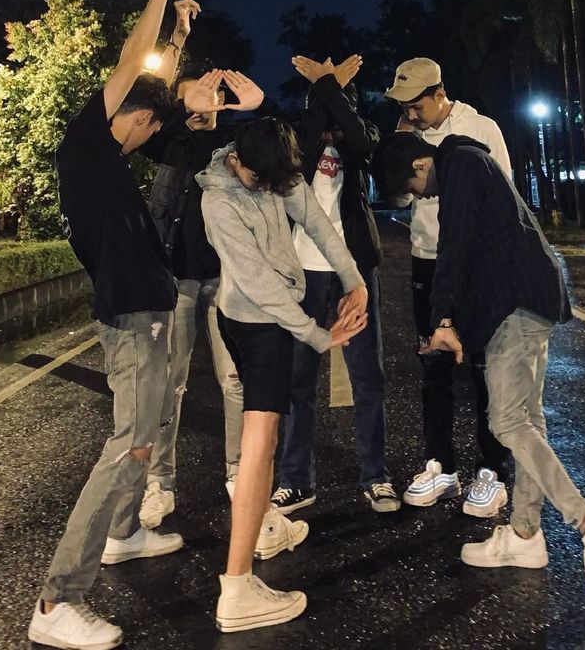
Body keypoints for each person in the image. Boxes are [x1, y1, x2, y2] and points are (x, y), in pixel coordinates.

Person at [28, 0, 226, 650]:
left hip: (145, 309)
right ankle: (57, 600)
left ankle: (119, 535)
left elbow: (149, 88)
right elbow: (129, 65)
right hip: (133, 316)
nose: (146, 130)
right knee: (130, 448)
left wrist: (180, 35)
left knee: (139, 439)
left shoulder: (108, 156)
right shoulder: (85, 142)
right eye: (139, 120)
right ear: (110, 117)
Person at [370, 131, 585, 607]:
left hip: (514, 306)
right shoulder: (471, 163)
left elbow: (454, 249)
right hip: (528, 303)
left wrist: (442, 319)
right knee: (528, 421)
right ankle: (526, 536)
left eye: (412, 187)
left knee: (506, 420)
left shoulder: (460, 168)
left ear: (419, 163)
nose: (418, 196)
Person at [198, 118, 369, 632]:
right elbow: (258, 284)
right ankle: (237, 587)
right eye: (259, 182)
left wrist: (354, 280)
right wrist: (318, 336)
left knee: (261, 438)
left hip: (262, 318)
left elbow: (317, 223)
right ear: (236, 162)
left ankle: (262, 527)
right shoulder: (218, 201)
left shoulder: (273, 168)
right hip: (256, 323)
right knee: (261, 440)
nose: (269, 191)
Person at [138, 34, 271, 526]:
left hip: (228, 280)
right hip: (176, 281)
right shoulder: (170, 144)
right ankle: (160, 483)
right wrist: (179, 104)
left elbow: (280, 143)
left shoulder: (235, 147)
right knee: (168, 385)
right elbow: (139, 127)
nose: (204, 105)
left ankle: (238, 472)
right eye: (197, 96)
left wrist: (259, 106)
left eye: (211, 97)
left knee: (233, 380)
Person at [270, 53, 399, 515]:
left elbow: (363, 141)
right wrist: (326, 86)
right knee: (297, 381)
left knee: (368, 377)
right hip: (301, 274)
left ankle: (376, 476)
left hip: (354, 273)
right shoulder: (295, 143)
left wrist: (328, 85)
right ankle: (295, 480)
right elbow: (302, 142)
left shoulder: (361, 138)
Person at [384, 57, 512, 516]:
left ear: (440, 93)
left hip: (474, 265)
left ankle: (492, 471)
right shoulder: (409, 136)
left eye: (415, 105)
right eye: (404, 106)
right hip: (427, 260)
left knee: (483, 369)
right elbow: (400, 196)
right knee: (434, 366)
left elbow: (505, 197)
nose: (410, 114)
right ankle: (440, 466)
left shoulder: (481, 130)